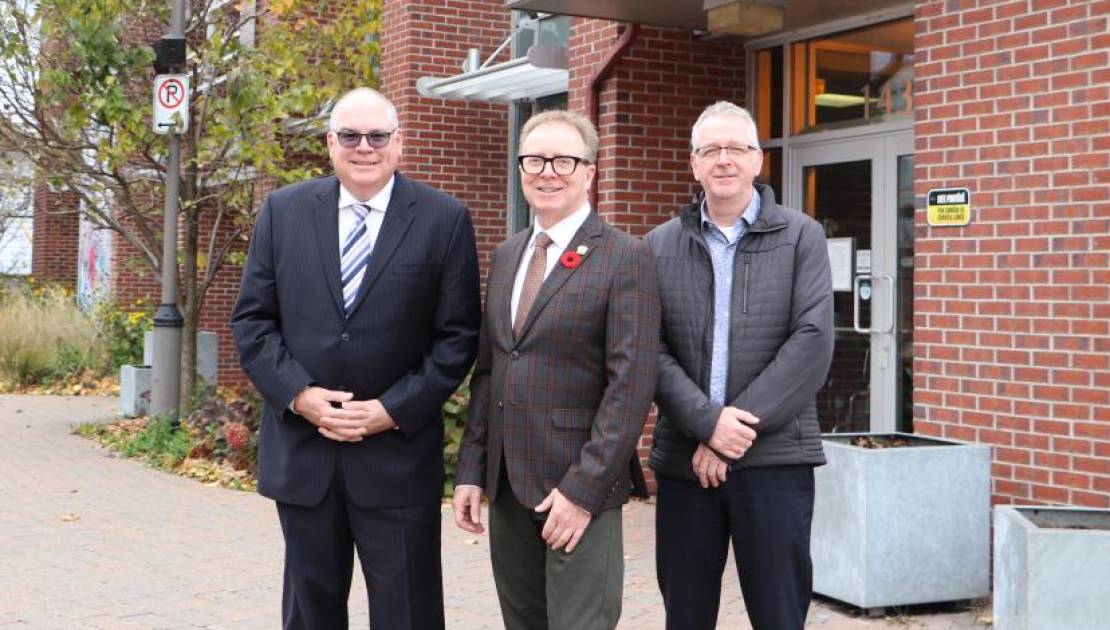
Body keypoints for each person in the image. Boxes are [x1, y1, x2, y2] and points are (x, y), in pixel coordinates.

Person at [230, 87, 481, 630]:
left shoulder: (444, 219)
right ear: (330, 143)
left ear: (399, 144)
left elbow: (457, 337)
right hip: (305, 456)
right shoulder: (283, 211)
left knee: (407, 614)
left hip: (397, 458)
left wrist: (391, 409)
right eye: (350, 135)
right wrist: (299, 396)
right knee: (310, 613)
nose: (364, 147)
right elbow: (252, 320)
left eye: (377, 136)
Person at [451, 110, 659, 630]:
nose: (548, 171)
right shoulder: (507, 255)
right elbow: (490, 370)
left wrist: (582, 492)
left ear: (590, 170)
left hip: (577, 487)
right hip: (506, 483)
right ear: (521, 169)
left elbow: (629, 389)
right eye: (535, 159)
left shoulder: (624, 257)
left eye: (563, 159)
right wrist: (472, 470)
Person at [644, 101, 834, 630]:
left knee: (778, 615)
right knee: (685, 614)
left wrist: (732, 428)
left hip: (774, 460)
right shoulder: (659, 245)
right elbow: (649, 349)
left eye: (736, 149)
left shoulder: (801, 236)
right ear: (694, 164)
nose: (723, 160)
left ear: (757, 160)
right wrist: (707, 424)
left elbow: (812, 343)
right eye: (711, 150)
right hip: (687, 463)